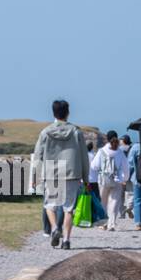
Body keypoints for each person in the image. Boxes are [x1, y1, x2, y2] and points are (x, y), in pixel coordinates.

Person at [31, 99, 90, 251]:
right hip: (71, 173)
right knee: (68, 209)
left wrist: (34, 177)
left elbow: (37, 156)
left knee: (50, 206)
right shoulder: (76, 132)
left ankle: (54, 228)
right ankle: (67, 240)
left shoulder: (45, 132)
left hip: (52, 172)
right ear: (68, 112)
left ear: (53, 112)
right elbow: (84, 156)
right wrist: (86, 178)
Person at [93, 130, 130, 230]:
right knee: (114, 202)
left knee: (103, 202)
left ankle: (103, 223)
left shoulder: (101, 151)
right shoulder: (120, 152)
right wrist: (124, 178)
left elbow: (94, 166)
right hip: (117, 180)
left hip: (103, 180)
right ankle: (112, 224)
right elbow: (126, 167)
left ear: (107, 139)